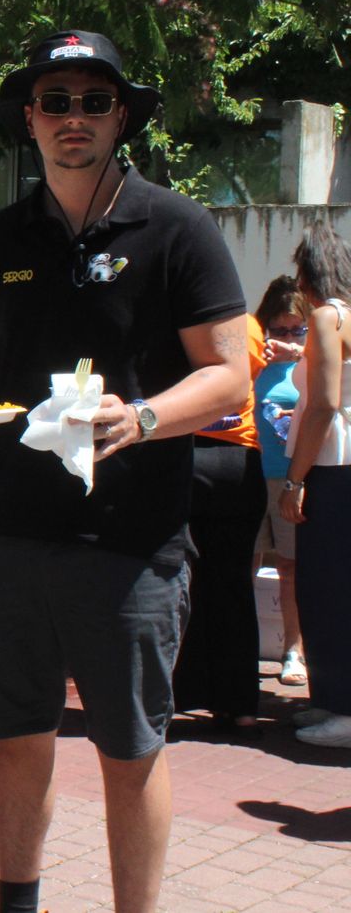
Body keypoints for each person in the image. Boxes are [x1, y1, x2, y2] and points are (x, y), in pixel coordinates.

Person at [0, 29, 248, 913]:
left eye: (94, 101)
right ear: (29, 119)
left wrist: (142, 418)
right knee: (17, 730)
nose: (75, 118)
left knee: (130, 743)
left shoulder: (178, 227)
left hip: (133, 537)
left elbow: (228, 374)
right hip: (10, 530)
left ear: (121, 117)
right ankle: (16, 902)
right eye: (57, 102)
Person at [173, 308, 268, 733]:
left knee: (183, 584)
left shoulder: (177, 322)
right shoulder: (247, 325)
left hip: (187, 456)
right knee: (233, 586)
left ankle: (184, 694)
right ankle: (241, 705)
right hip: (239, 461)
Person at [278, 223, 351, 747]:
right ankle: (331, 701)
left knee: (327, 589)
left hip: (331, 467)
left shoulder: (327, 317)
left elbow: (324, 404)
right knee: (327, 588)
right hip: (338, 465)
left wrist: (294, 478)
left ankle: (342, 710)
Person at [251, 275, 309, 685]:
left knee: (291, 568)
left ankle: (293, 650)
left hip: (291, 478)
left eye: (297, 329)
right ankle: (242, 650)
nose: (287, 337)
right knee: (245, 564)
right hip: (250, 474)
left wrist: (300, 353)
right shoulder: (254, 361)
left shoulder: (310, 364)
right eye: (279, 329)